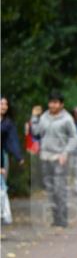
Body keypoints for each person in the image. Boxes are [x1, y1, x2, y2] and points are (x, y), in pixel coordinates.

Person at [31, 90, 77, 228]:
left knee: (60, 189)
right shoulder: (44, 116)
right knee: (50, 189)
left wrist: (66, 152)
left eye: (55, 102)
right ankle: (55, 218)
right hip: (45, 157)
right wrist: (34, 117)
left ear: (61, 104)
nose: (52, 105)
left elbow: (74, 138)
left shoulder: (67, 119)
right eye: (51, 102)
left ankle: (62, 220)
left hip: (59, 158)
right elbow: (36, 132)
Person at [1, 96, 24, 225]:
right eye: (1, 104)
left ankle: (5, 215)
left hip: (2, 157)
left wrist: (18, 156)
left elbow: (13, 141)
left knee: (1, 186)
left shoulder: (8, 124)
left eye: (6, 104)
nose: (4, 106)